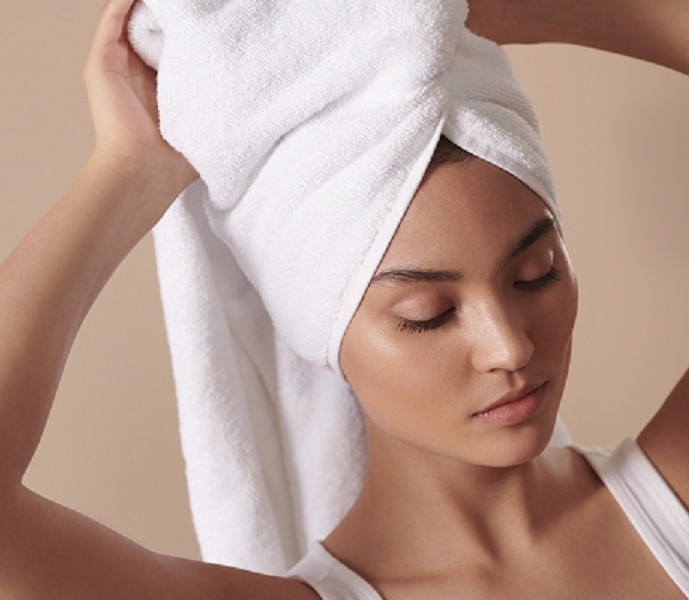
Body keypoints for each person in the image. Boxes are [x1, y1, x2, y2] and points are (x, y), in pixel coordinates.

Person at [0, 0, 687, 599]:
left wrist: (532, 9)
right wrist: (128, 175)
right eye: (430, 315)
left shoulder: (670, 505)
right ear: (319, 330)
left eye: (535, 273)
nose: (509, 344)